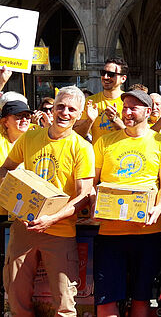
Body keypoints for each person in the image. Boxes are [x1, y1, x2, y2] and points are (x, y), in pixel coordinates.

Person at [0, 86, 95, 316]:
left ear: (80, 113)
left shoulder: (82, 147)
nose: (64, 112)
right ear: (52, 109)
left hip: (60, 230)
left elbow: (84, 195)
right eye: (60, 106)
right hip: (24, 227)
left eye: (71, 109)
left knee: (65, 302)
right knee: (16, 296)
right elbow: (5, 170)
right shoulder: (30, 137)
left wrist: (52, 219)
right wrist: (13, 195)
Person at [93, 89, 161, 316]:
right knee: (106, 300)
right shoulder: (105, 142)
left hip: (146, 231)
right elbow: (93, 181)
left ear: (148, 112)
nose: (127, 112)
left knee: (141, 300)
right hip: (110, 232)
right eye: (125, 107)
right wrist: (93, 203)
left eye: (133, 107)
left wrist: (158, 209)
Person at [74, 57, 128, 143]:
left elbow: (134, 136)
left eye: (111, 74)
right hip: (98, 155)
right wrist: (89, 121)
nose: (105, 77)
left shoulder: (128, 102)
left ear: (123, 78)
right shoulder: (90, 102)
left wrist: (115, 119)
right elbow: (77, 135)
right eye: (103, 73)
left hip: (121, 155)